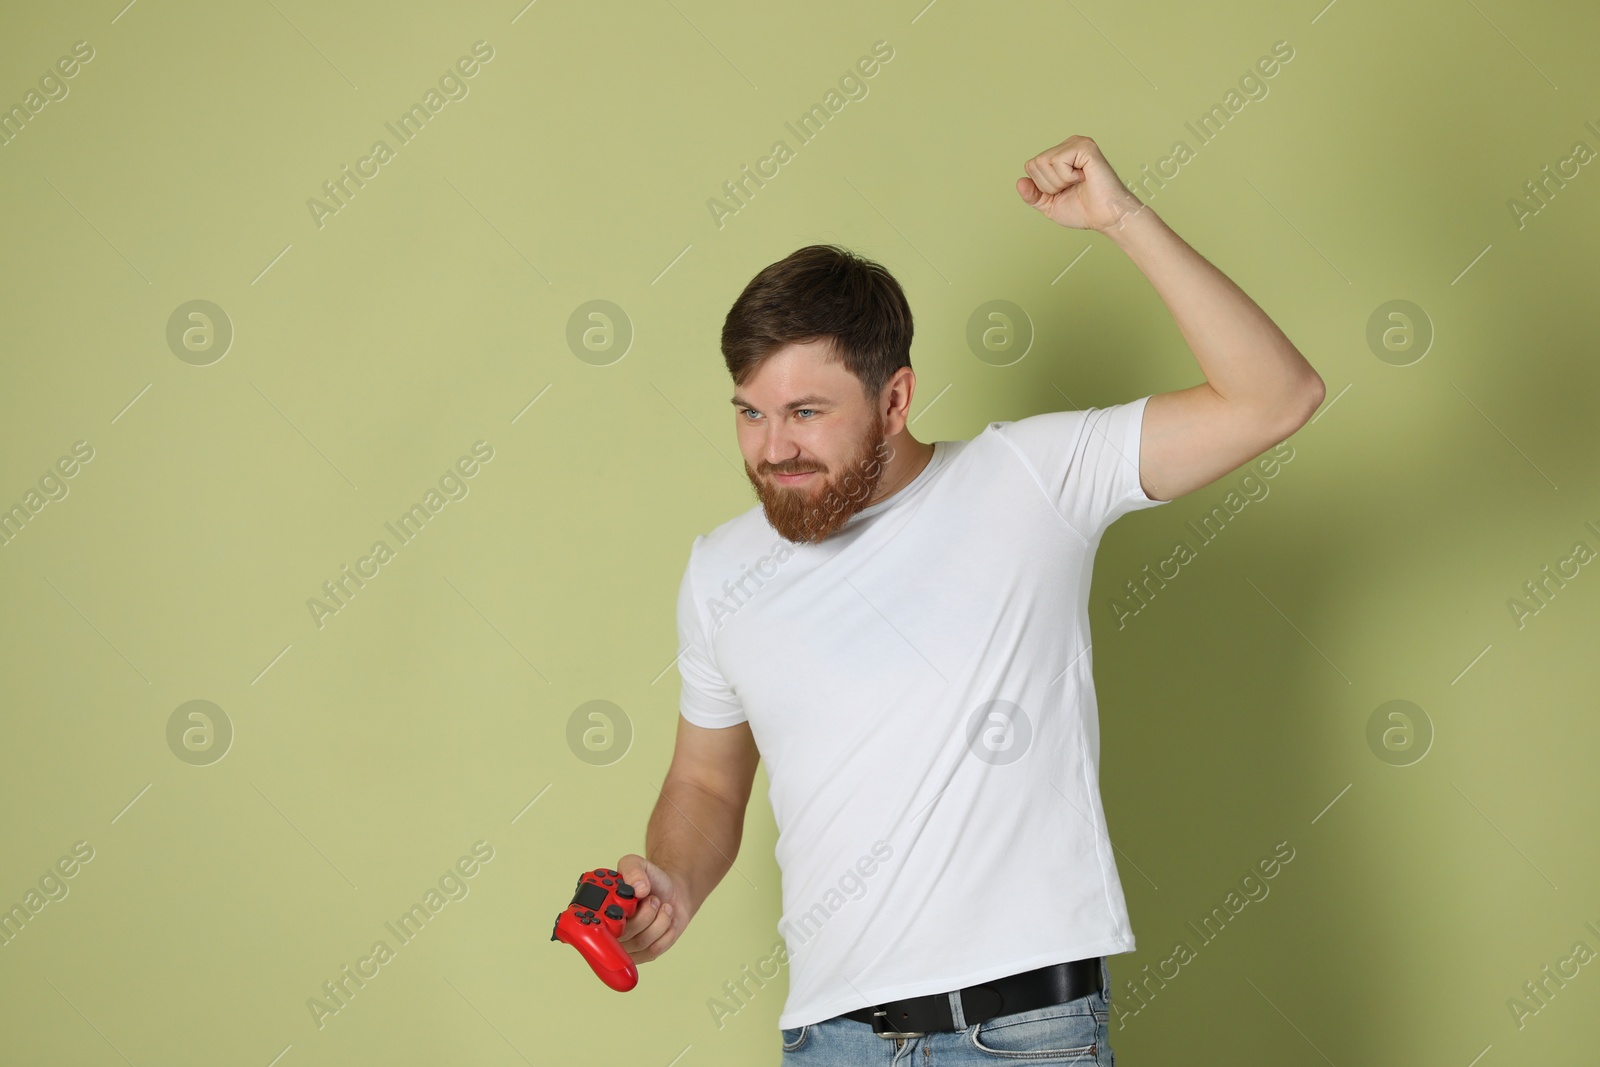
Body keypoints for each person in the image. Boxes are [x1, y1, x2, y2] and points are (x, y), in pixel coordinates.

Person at [614, 135, 1325, 1064]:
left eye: (807, 412)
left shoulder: (1029, 479)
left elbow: (1276, 396)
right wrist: (669, 875)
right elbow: (705, 781)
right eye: (751, 412)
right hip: (832, 1039)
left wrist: (1121, 219)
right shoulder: (720, 568)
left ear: (896, 397)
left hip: (1021, 1035)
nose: (773, 447)